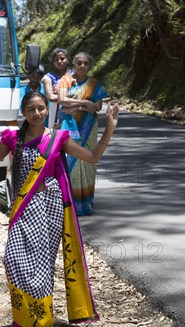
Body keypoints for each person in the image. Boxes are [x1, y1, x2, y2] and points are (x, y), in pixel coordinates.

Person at [0, 91, 119, 327]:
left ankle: (39, 323)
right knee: (13, 260)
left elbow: (92, 157)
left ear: (47, 110)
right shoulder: (11, 138)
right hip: (22, 207)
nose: (37, 113)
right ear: (24, 112)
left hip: (49, 207)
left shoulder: (58, 139)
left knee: (41, 265)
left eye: (41, 108)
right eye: (31, 109)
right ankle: (26, 318)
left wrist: (110, 128)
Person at [57, 52, 108, 215]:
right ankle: (67, 204)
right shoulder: (66, 80)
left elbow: (97, 107)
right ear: (73, 64)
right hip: (68, 126)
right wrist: (84, 103)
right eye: (79, 63)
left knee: (87, 162)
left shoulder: (95, 85)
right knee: (68, 161)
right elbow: (62, 100)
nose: (82, 66)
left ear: (90, 66)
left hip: (88, 128)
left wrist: (75, 107)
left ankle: (84, 204)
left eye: (86, 63)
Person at [42, 48, 70, 128]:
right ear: (53, 62)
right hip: (55, 115)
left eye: (62, 58)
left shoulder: (74, 75)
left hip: (74, 113)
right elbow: (51, 97)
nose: (59, 61)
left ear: (67, 59)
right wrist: (70, 97)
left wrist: (59, 95)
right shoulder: (48, 77)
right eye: (56, 59)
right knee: (55, 138)